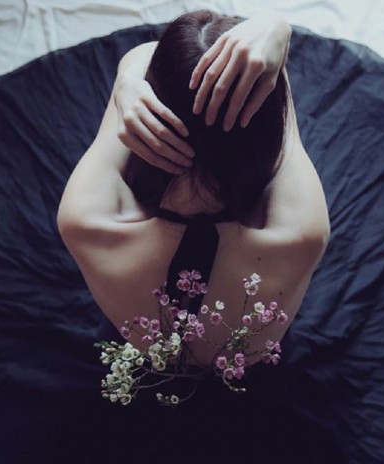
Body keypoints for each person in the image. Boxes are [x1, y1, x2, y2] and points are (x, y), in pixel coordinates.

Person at [57, 10, 330, 368]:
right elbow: (283, 116)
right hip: (249, 366)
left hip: (145, 363)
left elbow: (145, 55)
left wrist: (126, 83)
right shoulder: (301, 232)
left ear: (142, 116)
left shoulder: (85, 219)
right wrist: (277, 27)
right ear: (263, 135)